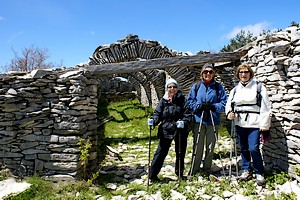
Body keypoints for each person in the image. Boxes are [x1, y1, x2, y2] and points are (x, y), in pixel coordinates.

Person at [225, 63, 271, 186]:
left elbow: (266, 106)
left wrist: (264, 124)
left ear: (250, 73)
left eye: (246, 72)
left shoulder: (258, 87)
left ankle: (259, 172)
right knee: (243, 147)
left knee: (253, 148)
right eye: (241, 72)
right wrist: (230, 113)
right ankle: (246, 169)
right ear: (238, 74)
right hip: (240, 122)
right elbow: (229, 105)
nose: (243, 74)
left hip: (254, 122)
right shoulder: (235, 89)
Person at [147, 78, 191, 182]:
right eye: (170, 87)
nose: (172, 89)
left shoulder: (183, 100)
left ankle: (179, 174)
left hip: (179, 130)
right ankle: (152, 175)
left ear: (177, 88)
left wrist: (184, 122)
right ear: (167, 89)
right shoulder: (163, 100)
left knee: (180, 152)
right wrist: (154, 120)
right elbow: (157, 113)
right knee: (160, 152)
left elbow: (188, 114)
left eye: (174, 87)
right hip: (166, 129)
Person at [187, 63, 227, 175]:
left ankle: (207, 169)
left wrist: (214, 106)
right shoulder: (196, 86)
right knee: (198, 145)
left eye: (210, 72)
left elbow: (224, 103)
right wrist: (198, 106)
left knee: (210, 147)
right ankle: (194, 169)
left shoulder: (218, 87)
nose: (208, 74)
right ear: (202, 74)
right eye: (205, 72)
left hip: (213, 121)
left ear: (213, 74)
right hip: (199, 120)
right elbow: (189, 102)